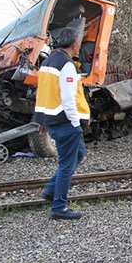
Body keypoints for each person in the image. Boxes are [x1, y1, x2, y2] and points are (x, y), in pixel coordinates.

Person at [34, 27, 90, 220]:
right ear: (74, 44)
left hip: (51, 119)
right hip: (64, 120)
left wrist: (41, 120)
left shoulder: (47, 62)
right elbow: (68, 98)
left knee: (79, 154)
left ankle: (51, 190)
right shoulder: (66, 65)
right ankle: (59, 207)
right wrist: (76, 123)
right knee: (67, 164)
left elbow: (42, 93)